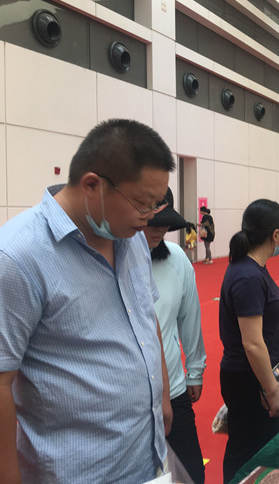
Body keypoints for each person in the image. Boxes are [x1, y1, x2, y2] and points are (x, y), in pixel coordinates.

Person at [0, 119, 175, 483]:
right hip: (78, 472)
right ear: (92, 185)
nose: (149, 219)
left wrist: (161, 398)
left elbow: (146, 316)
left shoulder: (130, 237)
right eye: (142, 204)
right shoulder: (18, 256)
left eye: (156, 205)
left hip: (145, 458)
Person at [219, 199, 279, 482]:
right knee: (248, 451)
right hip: (251, 380)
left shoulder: (253, 268)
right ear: (275, 235)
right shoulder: (248, 276)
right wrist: (272, 391)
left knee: (257, 445)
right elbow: (252, 343)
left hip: (257, 376)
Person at [144, 188, 207, 484]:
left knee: (191, 474)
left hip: (174, 392)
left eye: (166, 223)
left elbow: (189, 316)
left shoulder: (177, 258)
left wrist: (195, 370)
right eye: (153, 222)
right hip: (131, 402)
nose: (161, 229)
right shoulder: (113, 262)